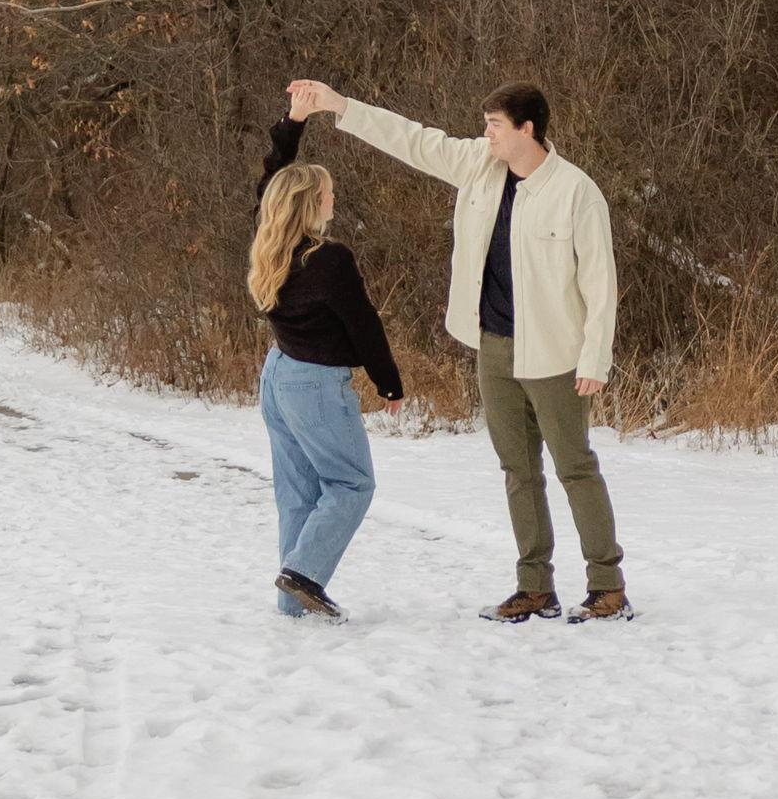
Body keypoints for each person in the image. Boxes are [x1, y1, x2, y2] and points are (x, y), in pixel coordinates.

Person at [285, 76, 633, 625]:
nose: (486, 134)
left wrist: (595, 359)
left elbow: (600, 282)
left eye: (496, 125)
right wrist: (339, 107)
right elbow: (413, 139)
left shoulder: (575, 192)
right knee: (518, 471)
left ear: (527, 129)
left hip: (558, 355)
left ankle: (608, 587)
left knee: (574, 467)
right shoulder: (479, 165)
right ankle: (534, 587)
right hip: (494, 349)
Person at [248, 126, 403, 625]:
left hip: (278, 376)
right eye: (329, 191)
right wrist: (389, 381)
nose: (335, 197)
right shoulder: (328, 259)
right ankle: (302, 575)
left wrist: (291, 125)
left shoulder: (269, 246)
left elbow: (268, 184)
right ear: (312, 201)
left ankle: (293, 600)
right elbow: (363, 322)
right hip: (314, 385)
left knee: (297, 492)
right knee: (351, 485)